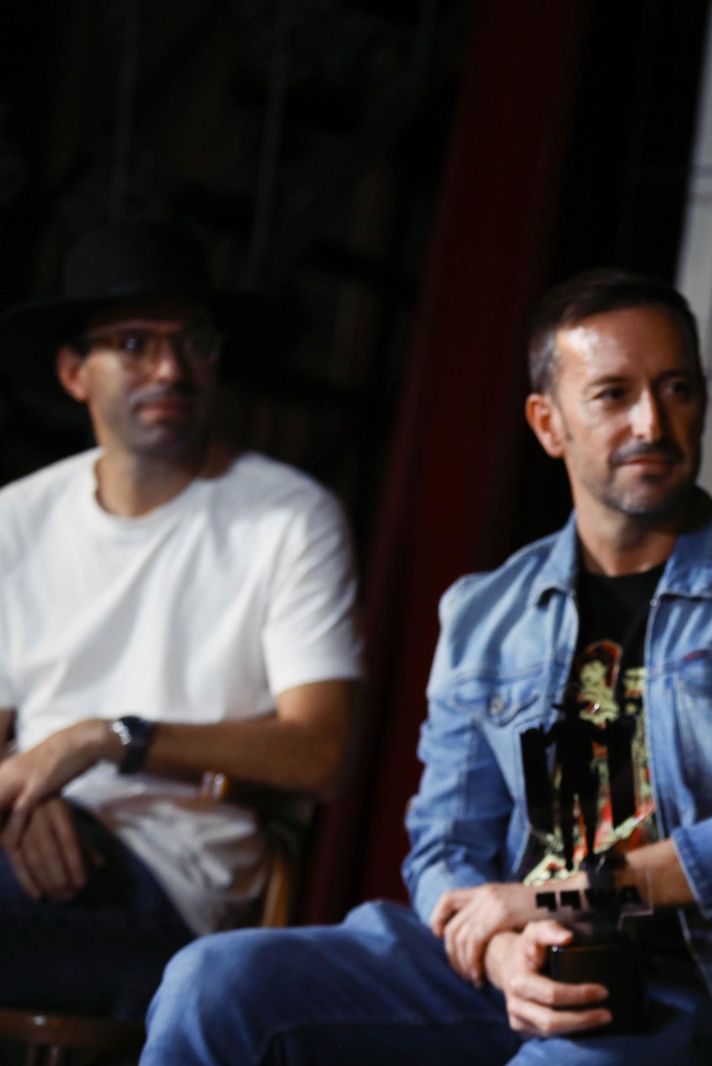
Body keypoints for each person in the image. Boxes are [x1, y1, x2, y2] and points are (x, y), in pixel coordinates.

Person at [144, 269, 712, 1066]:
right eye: (611, 394)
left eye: (676, 388)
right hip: (511, 958)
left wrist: (575, 892)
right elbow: (443, 844)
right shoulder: (485, 614)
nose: (652, 421)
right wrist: (497, 952)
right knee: (214, 982)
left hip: (701, 985)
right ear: (548, 422)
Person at [0, 219, 362, 1021]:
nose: (170, 368)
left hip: (169, 880)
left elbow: (321, 752)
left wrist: (105, 738)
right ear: (73, 372)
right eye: (132, 343)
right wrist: (30, 799)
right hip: (26, 845)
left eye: (193, 340)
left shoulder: (288, 517)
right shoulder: (16, 520)